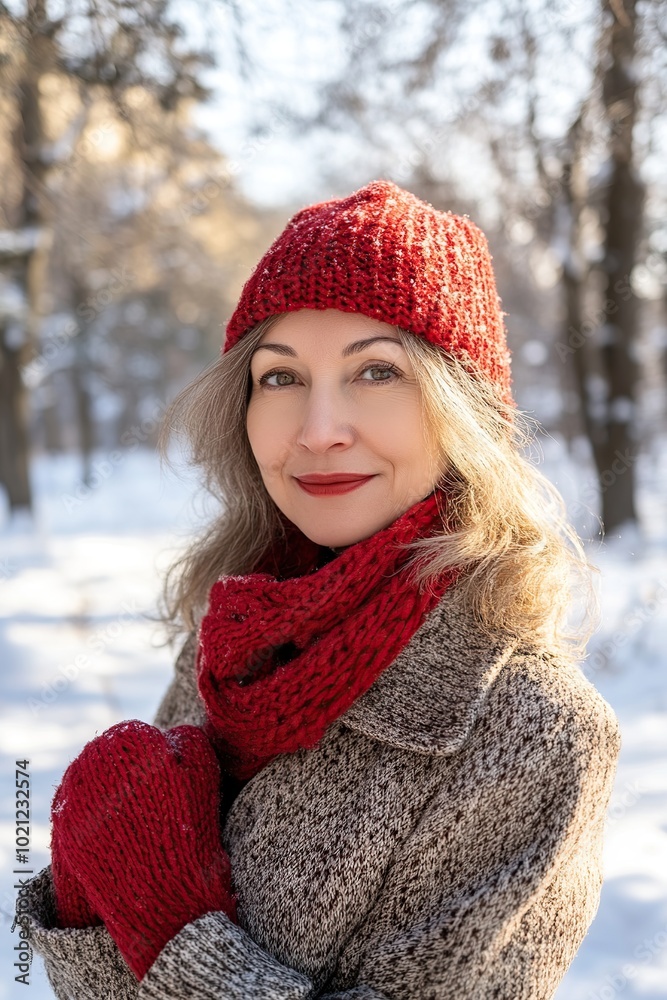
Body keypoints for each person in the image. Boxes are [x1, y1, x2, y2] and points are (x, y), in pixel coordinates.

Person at [17, 179, 621, 1000]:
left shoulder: (535, 728)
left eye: (377, 371)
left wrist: (173, 939)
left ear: (461, 412)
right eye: (280, 377)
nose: (318, 429)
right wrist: (90, 896)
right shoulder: (230, 637)